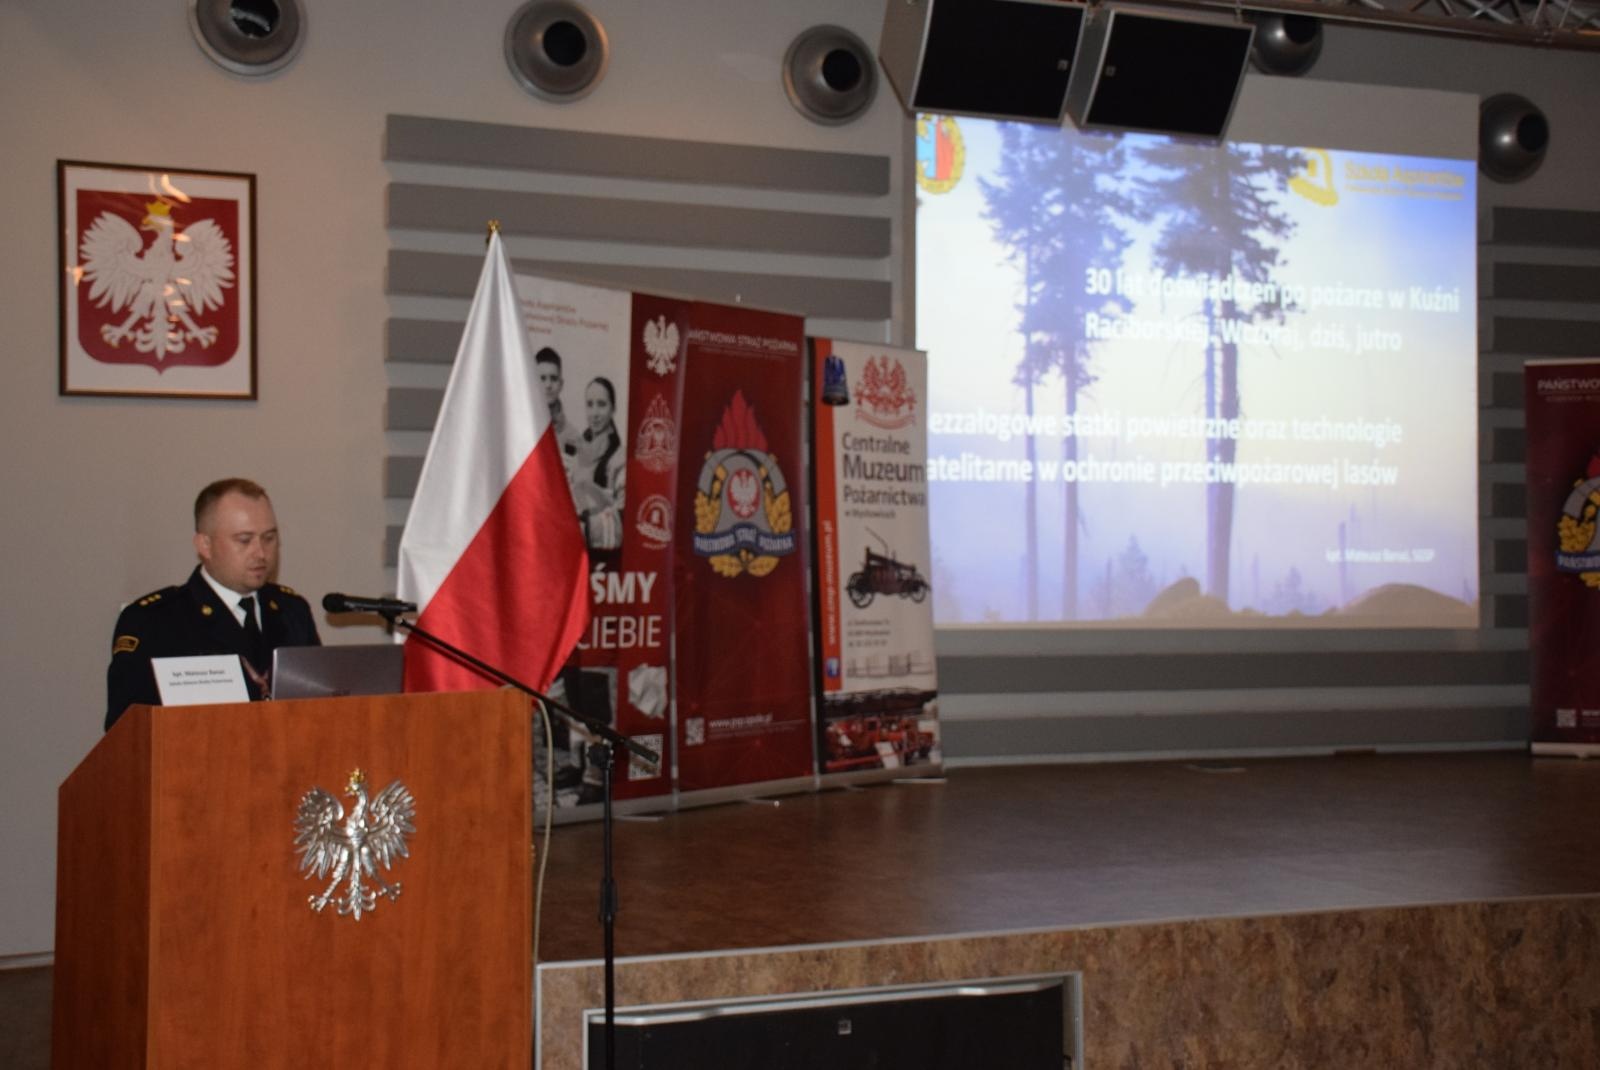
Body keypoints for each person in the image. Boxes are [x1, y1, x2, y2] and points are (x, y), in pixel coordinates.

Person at [104, 478, 320, 730]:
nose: (261, 553)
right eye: (244, 540)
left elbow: (318, 710)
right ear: (205, 545)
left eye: (269, 538)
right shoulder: (154, 620)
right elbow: (127, 731)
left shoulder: (292, 610)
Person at [569, 376, 626, 551]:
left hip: (602, 557)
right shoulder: (575, 450)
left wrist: (582, 527)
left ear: (613, 409)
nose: (594, 413)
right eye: (590, 404)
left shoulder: (620, 458)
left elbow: (623, 518)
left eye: (601, 404)